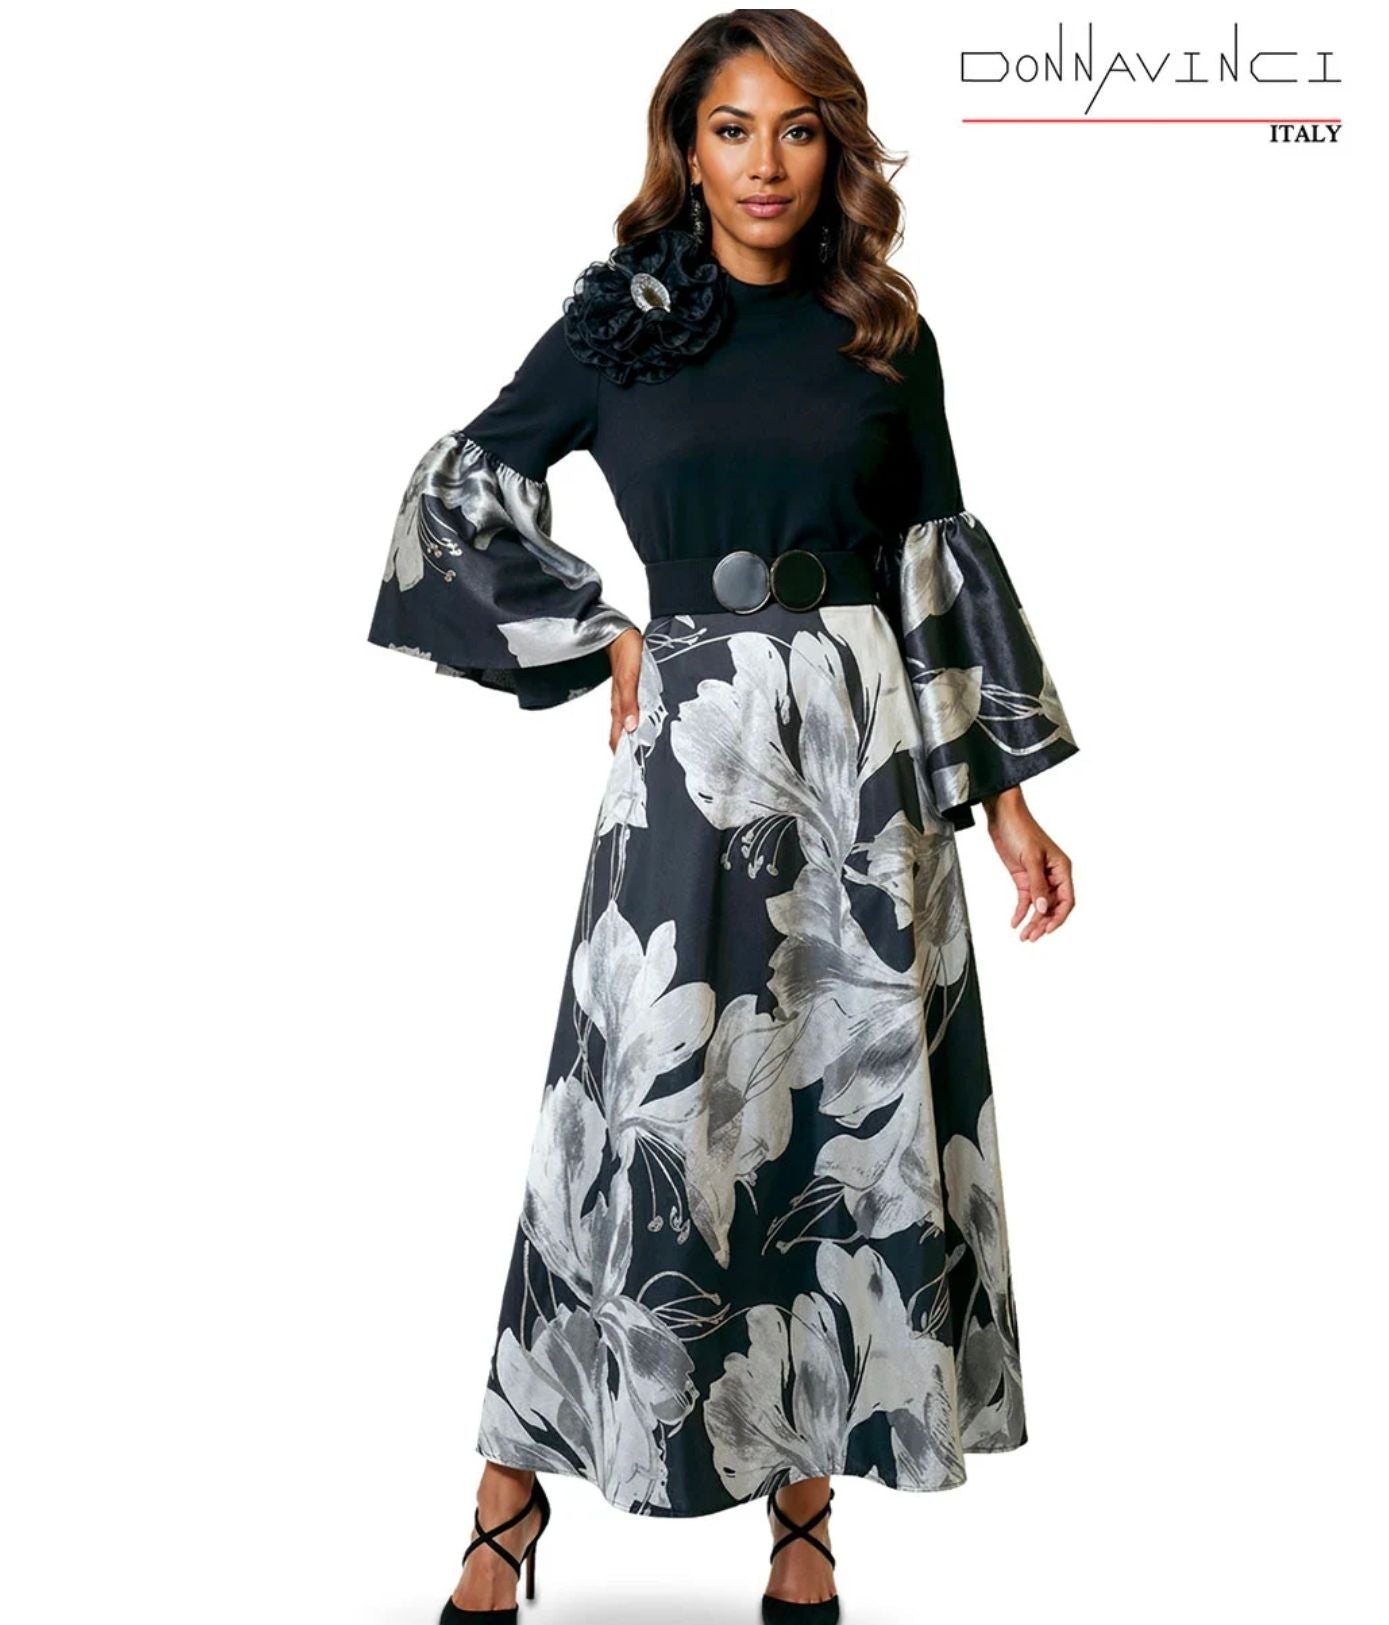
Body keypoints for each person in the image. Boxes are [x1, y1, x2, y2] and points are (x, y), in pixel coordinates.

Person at [366, 13, 1079, 1623]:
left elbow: (935, 567)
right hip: (691, 761)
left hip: (865, 762)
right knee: (637, 1110)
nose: (766, 164)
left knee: (832, 1119)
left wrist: (1008, 806)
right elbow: (457, 490)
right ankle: (506, 1502)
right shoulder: (620, 325)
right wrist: (599, 635)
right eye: (733, 129)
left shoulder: (882, 327)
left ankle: (804, 1517)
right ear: (684, 148)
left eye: (798, 130)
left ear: (836, 150)